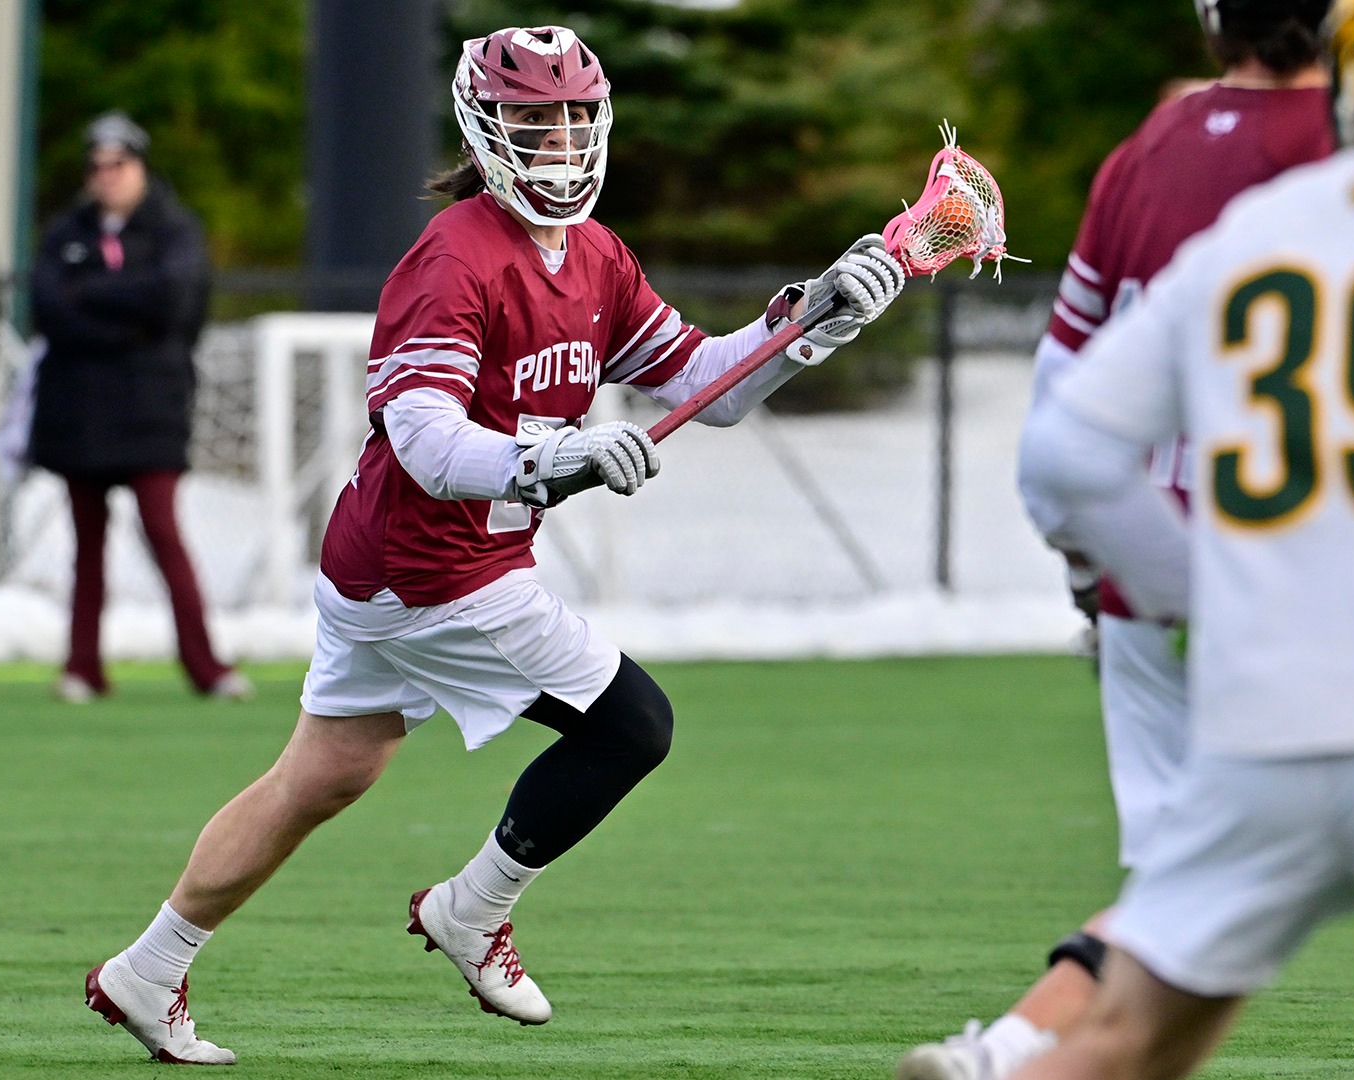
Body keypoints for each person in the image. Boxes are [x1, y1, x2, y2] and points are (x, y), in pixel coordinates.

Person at [79, 25, 907, 1065]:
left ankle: (144, 972)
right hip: (434, 569)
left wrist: (810, 324)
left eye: (573, 117)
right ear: (484, 128)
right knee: (631, 726)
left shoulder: (597, 254)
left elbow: (711, 386)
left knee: (319, 780)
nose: (559, 141)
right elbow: (426, 440)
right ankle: (471, 911)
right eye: (534, 118)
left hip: (391, 557)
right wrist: (555, 458)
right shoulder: (455, 257)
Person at [900, 3, 1354, 1077]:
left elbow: (1064, 443)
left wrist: (1195, 590)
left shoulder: (1258, 226)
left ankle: (1015, 1055)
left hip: (1265, 690)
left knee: (1138, 1032)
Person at [30, 112, 251, 704]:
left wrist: (92, 297)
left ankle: (206, 667)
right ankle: (83, 667)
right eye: (96, 165)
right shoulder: (66, 231)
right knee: (86, 544)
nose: (106, 176)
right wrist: (125, 320)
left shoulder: (173, 229)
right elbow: (49, 306)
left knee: (164, 534)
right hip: (78, 412)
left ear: (141, 166)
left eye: (118, 163)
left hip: (151, 410)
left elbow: (174, 301)